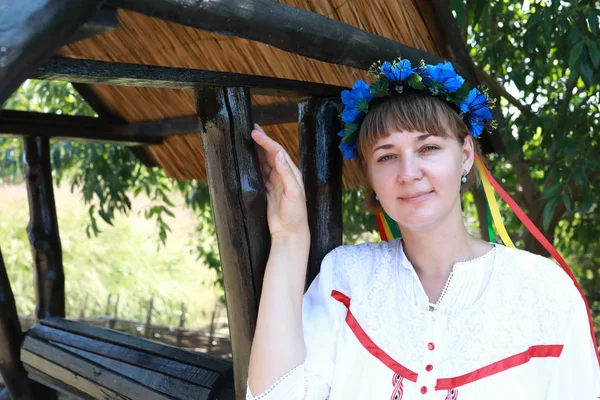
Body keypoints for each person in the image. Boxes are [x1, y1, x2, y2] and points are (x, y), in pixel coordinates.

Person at [246, 59, 600, 399]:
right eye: (387, 156)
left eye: (428, 147)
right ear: (370, 177)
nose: (408, 172)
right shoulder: (347, 277)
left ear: (465, 155)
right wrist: (290, 237)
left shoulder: (545, 291)